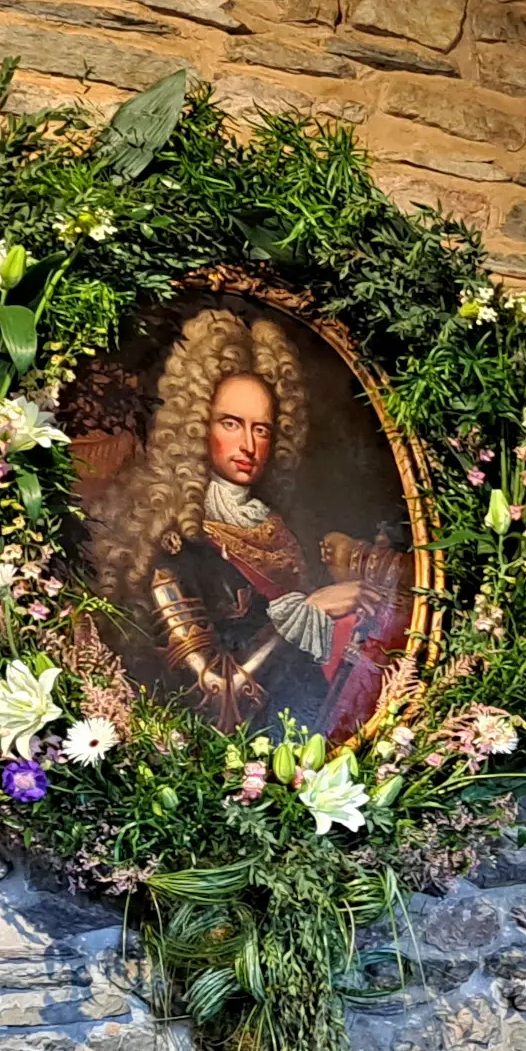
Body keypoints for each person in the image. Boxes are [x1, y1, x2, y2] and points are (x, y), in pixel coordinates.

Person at [94, 307, 408, 741]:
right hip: (228, 756)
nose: (248, 445)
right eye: (231, 424)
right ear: (196, 426)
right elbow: (211, 692)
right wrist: (311, 610)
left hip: (304, 731)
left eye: (261, 429)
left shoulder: (278, 526)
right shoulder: (171, 545)